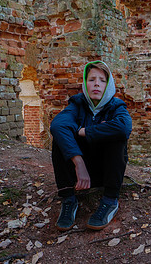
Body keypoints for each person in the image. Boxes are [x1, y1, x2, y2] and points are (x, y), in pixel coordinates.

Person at [50, 60, 132, 231]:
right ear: (85, 83)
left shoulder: (116, 106)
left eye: (102, 80)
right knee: (60, 136)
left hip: (105, 172)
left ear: (108, 85)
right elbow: (57, 125)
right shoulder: (77, 104)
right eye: (92, 79)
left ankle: (110, 200)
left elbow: (124, 127)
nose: (96, 84)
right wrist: (79, 164)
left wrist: (85, 131)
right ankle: (68, 200)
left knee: (116, 137)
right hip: (79, 176)